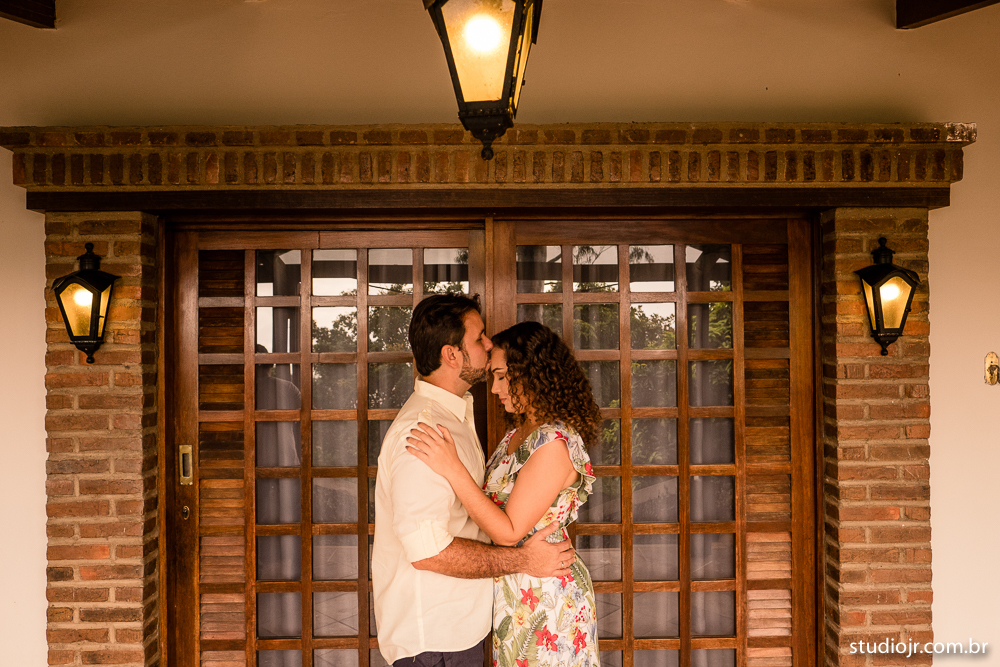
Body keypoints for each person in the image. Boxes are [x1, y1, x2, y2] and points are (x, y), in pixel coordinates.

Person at [372, 295, 575, 667]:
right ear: (452, 355)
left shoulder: (456, 417)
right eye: (479, 337)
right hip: (435, 638)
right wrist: (521, 561)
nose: (488, 343)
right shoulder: (423, 434)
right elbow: (429, 552)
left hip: (466, 629)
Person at [407, 321, 603, 667]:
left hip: (546, 597)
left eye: (501, 376)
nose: (495, 388)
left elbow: (509, 532)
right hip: (515, 591)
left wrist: (451, 467)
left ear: (531, 373)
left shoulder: (553, 443)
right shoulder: (518, 433)